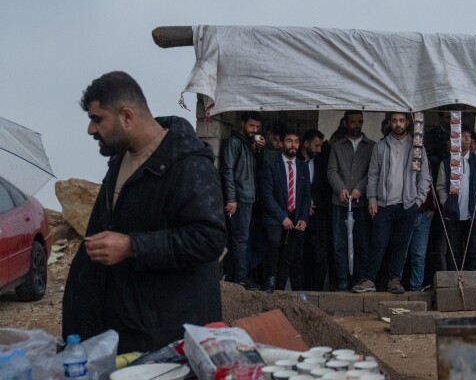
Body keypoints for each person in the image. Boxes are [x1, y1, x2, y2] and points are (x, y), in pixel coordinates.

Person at [62, 71, 226, 353]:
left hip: (166, 339)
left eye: (97, 119)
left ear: (126, 116)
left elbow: (209, 238)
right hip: (124, 332)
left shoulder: (189, 165)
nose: (90, 130)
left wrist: (131, 246)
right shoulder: (119, 160)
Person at [355, 112, 431, 294]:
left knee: (401, 245)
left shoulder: (417, 147)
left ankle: (394, 280)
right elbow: (373, 175)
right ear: (389, 123)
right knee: (378, 243)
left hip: (407, 205)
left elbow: (425, 177)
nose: (398, 124)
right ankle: (369, 280)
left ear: (407, 122)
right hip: (383, 204)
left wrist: (418, 200)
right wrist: (372, 199)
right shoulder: (380, 147)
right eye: (395, 120)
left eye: (402, 120)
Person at [327, 111, 375, 291]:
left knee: (362, 244)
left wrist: (359, 190)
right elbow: (332, 171)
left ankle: (359, 281)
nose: (357, 125)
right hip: (340, 203)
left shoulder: (372, 146)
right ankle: (342, 281)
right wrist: (341, 189)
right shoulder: (337, 146)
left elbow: (373, 172)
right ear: (346, 123)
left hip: (361, 204)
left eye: (359, 122)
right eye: (353, 122)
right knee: (340, 244)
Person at [260, 128, 311, 292]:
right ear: (281, 143)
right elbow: (266, 195)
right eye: (289, 140)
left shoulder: (303, 166)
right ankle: (270, 281)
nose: (293, 145)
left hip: (295, 216)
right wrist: (282, 217)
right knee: (273, 246)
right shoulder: (271, 164)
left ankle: (280, 288)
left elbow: (306, 195)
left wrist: (303, 217)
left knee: (289, 256)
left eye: (296, 141)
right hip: (275, 216)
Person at [436, 125, 476, 272]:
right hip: (453, 213)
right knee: (453, 251)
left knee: (472, 250)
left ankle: (470, 282)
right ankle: (455, 281)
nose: (467, 138)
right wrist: (446, 202)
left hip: (473, 213)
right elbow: (440, 187)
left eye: (468, 135)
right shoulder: (446, 163)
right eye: (462, 135)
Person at [219, 110, 264, 290]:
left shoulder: (247, 145)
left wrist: (258, 150)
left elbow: (256, 169)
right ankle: (240, 277)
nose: (254, 130)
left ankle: (236, 275)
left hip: (248, 197)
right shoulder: (234, 143)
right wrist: (232, 198)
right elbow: (227, 170)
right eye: (251, 126)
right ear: (242, 124)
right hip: (239, 198)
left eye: (257, 127)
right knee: (240, 239)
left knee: (241, 239)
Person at [299, 129, 330, 290]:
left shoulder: (320, 162)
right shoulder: (295, 161)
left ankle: (316, 290)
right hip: (298, 215)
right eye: (316, 146)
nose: (319, 150)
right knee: (300, 255)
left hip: (317, 214)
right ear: (306, 144)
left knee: (319, 255)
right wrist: (304, 206)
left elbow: (324, 188)